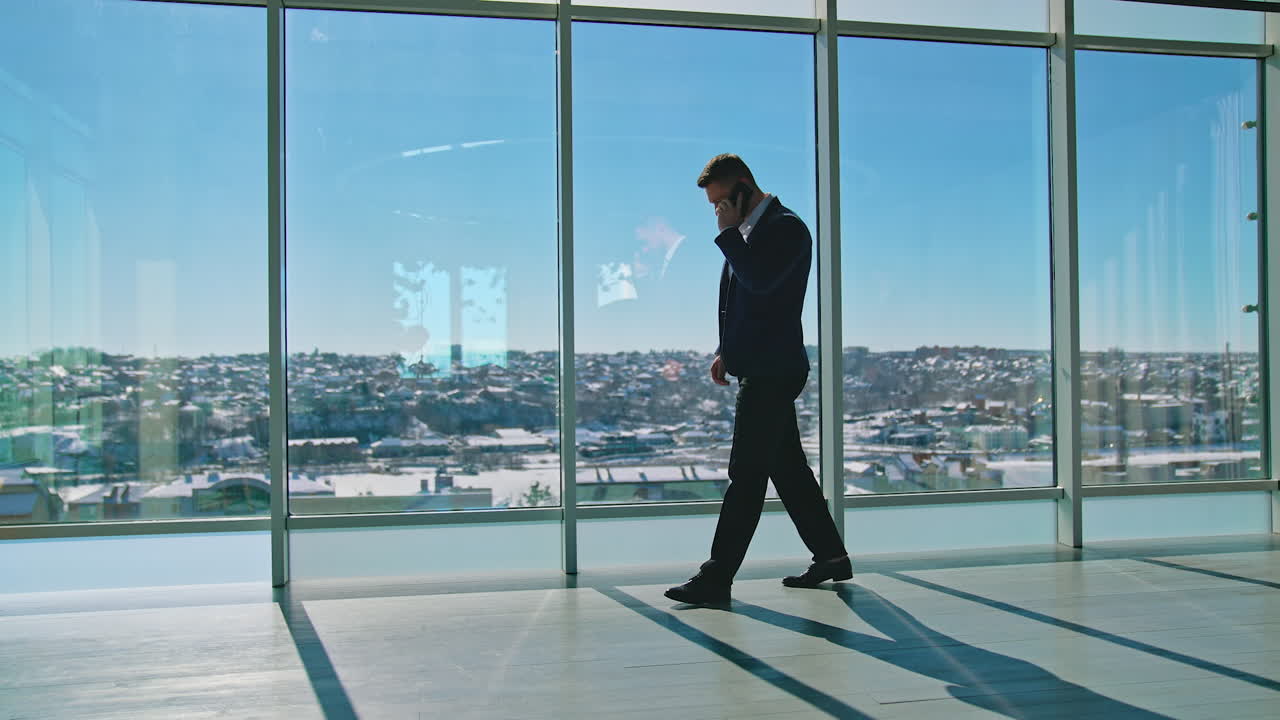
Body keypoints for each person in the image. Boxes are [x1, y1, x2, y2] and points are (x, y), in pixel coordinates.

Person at [664, 154, 850, 606]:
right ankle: (831, 556)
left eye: (723, 202)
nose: (718, 213)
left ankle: (716, 577)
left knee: (745, 475)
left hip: (774, 370)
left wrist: (728, 235)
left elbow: (762, 283)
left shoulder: (786, 228)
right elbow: (749, 302)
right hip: (761, 364)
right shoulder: (750, 233)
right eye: (714, 207)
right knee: (788, 471)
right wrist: (728, 351)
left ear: (744, 189)